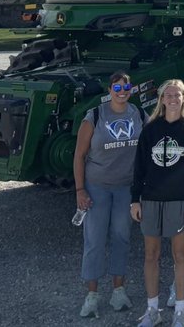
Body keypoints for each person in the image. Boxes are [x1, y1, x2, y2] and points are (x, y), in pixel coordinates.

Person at [130, 80, 184, 327]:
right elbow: (139, 168)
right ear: (161, 99)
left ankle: (179, 312)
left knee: (179, 255)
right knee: (151, 255)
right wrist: (134, 200)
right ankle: (153, 310)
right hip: (151, 200)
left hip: (179, 201)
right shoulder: (150, 130)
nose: (172, 99)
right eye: (168, 95)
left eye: (177, 95)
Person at [73, 71, 143, 318]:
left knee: (122, 237)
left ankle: (118, 290)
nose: (122, 91)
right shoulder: (95, 116)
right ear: (109, 89)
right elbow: (79, 156)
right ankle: (92, 294)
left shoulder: (138, 114)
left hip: (126, 187)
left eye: (126, 87)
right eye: (117, 87)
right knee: (94, 240)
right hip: (97, 187)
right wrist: (80, 190)